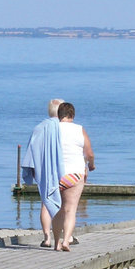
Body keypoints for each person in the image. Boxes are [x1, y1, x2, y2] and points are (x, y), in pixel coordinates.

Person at [21, 99, 64, 247]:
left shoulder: (39, 127)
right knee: (63, 203)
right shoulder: (62, 127)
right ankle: (65, 236)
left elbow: (31, 150)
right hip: (61, 168)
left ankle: (47, 237)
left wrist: (31, 169)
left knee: (45, 202)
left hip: (43, 169)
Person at [52, 102, 94, 252]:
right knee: (71, 210)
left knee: (57, 209)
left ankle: (56, 243)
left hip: (56, 174)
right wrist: (91, 165)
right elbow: (89, 154)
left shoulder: (52, 129)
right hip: (75, 174)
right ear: (72, 115)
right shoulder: (79, 129)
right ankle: (66, 241)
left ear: (58, 115)